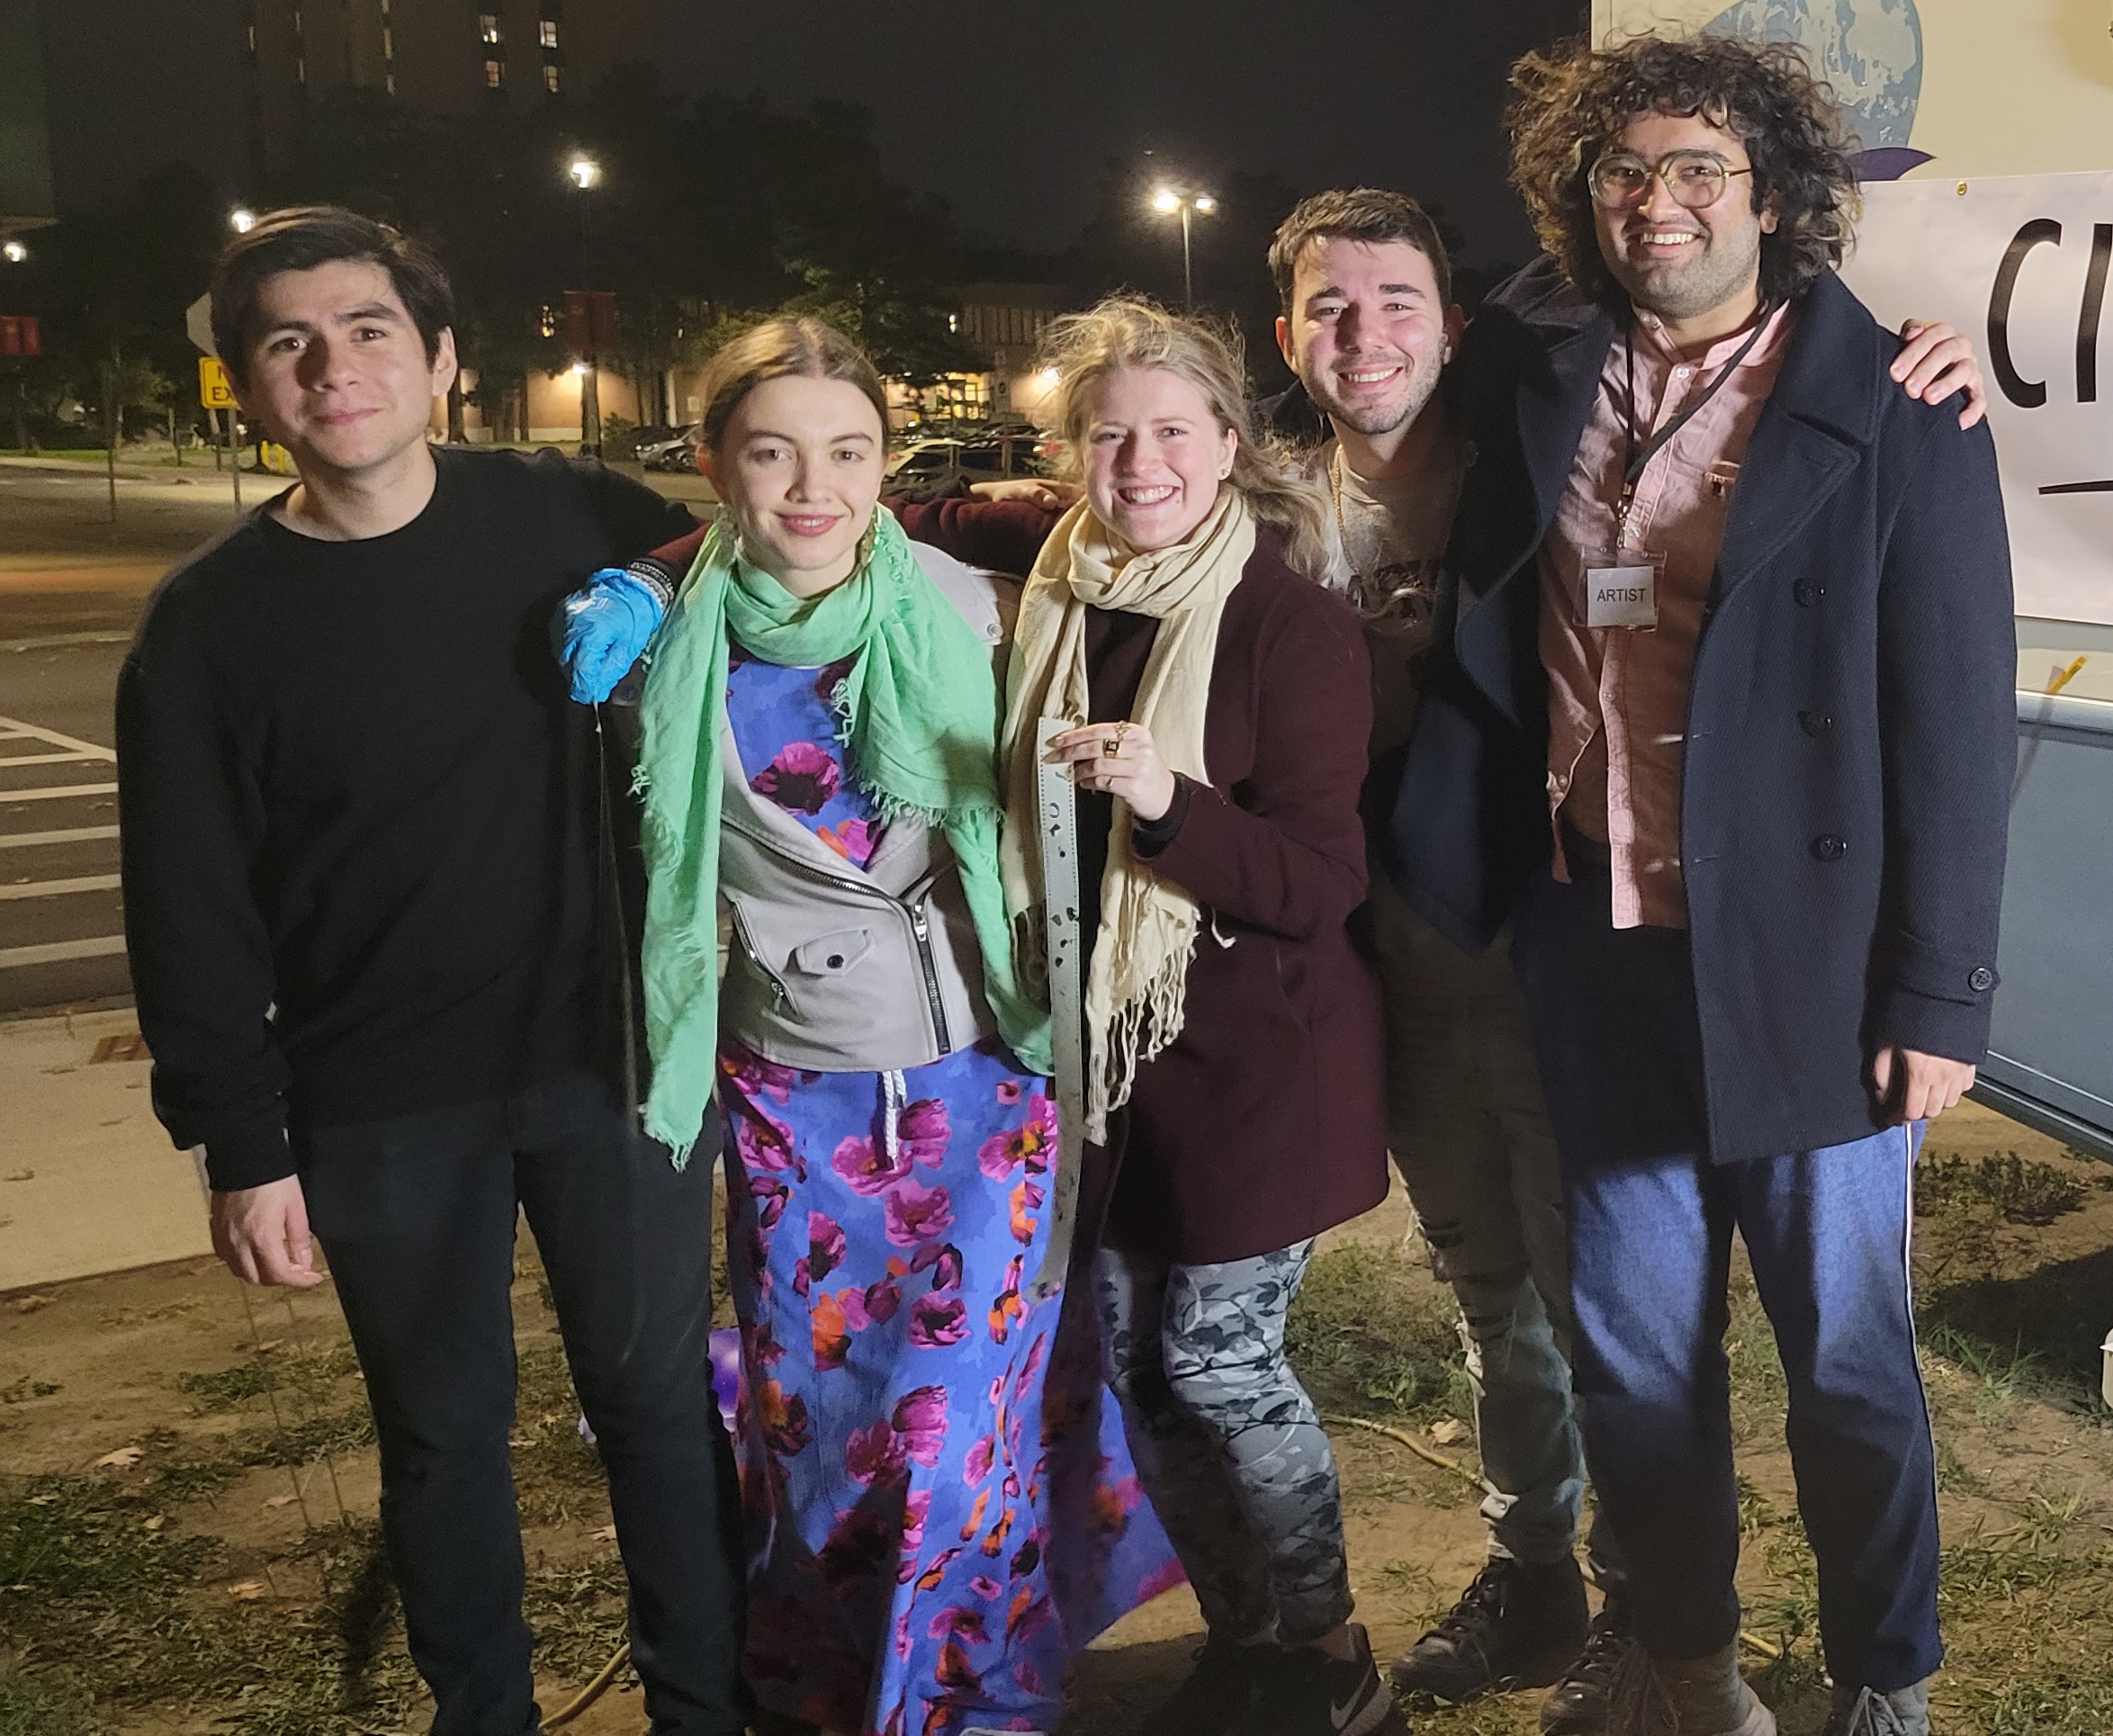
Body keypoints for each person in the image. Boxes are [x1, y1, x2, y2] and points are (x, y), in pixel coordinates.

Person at [1264, 189, 1992, 1727]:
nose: (1656, 202)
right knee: (1641, 1363)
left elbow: (1953, 724)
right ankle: (1689, 1667)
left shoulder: (1889, 399)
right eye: (1621, 172)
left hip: (1804, 968)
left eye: (1696, 165)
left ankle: (1883, 1676)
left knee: (1847, 1359)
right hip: (1590, 950)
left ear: (1772, 189)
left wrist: (1940, 990)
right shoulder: (1542, 377)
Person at [118, 208, 741, 1735]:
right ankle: (486, 1713)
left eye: (370, 328)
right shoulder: (207, 631)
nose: (335, 367)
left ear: (444, 359)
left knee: (661, 1410)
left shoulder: (572, 520)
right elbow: (188, 912)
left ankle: (714, 1705)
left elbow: (771, 547)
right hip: (379, 1104)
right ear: (253, 388)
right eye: (290, 342)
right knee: (444, 1436)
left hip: (609, 1059)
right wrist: (241, 1146)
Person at [622, 317, 1182, 1732]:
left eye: (849, 451)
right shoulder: (658, 644)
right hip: (786, 1098)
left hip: (983, 1086)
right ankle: (826, 1686)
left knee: (959, 1437)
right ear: (712, 466)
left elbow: (1155, 536)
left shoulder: (975, 608)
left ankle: (972, 1697)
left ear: (888, 464)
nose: (813, 486)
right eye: (772, 452)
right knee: (822, 1436)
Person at [902, 295, 1398, 1736]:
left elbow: (1320, 878)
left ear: (1229, 445)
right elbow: (848, 511)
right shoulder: (1056, 581)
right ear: (1067, 456)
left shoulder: (1286, 626)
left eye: (1173, 432)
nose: (1141, 466)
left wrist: (1168, 804)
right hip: (1103, 1066)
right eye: (1109, 437)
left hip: (1258, 1064)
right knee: (1129, 1360)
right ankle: (1240, 1638)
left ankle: (1329, 1651)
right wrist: (645, 570)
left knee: (1218, 1363)